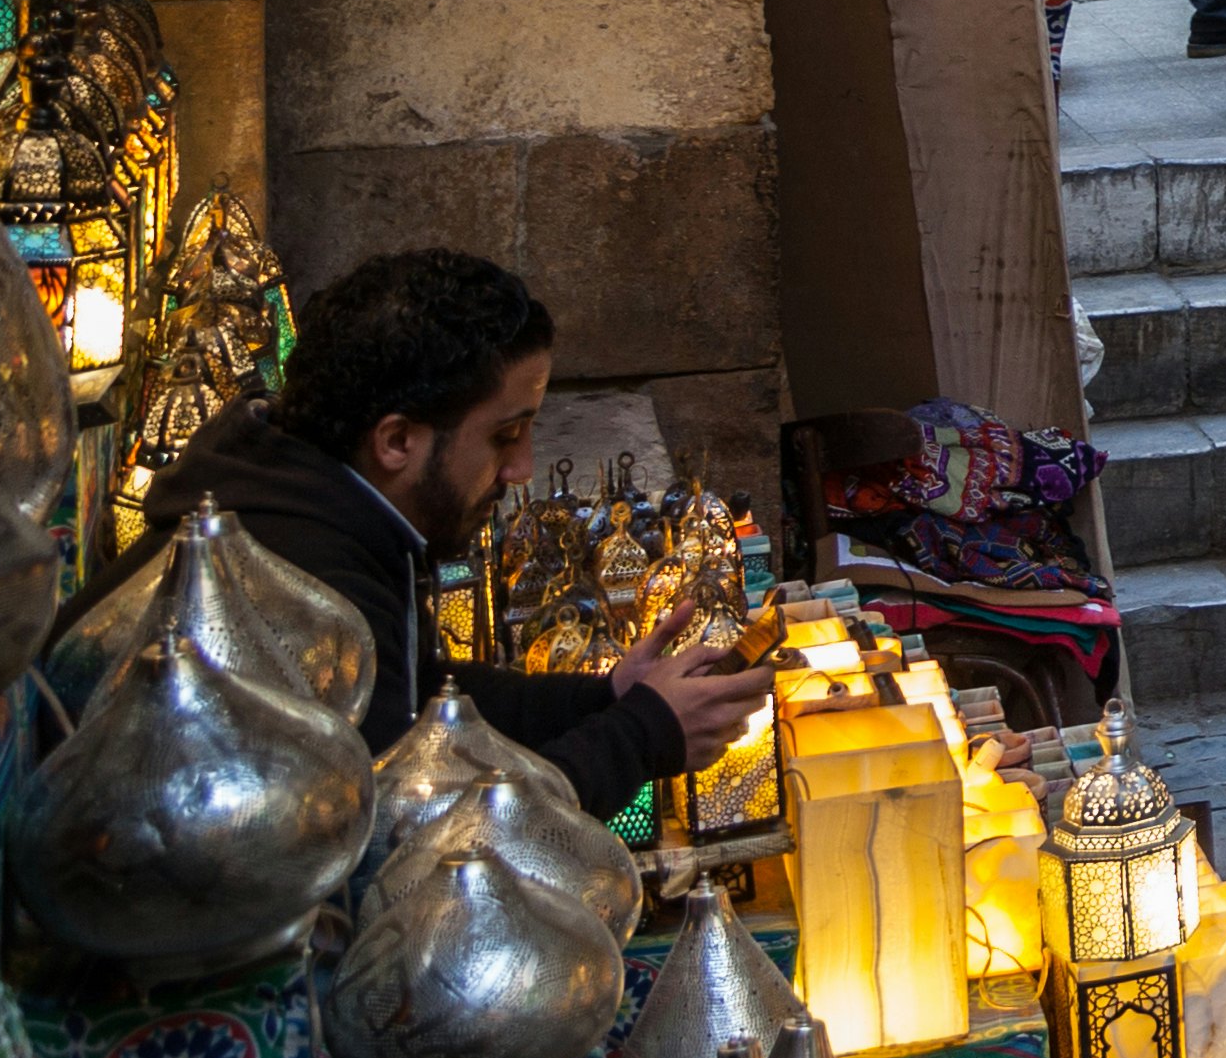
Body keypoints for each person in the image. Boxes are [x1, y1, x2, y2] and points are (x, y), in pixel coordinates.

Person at [65, 248, 765, 815]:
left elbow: (430, 703)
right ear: (397, 441)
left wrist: (608, 696)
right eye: (505, 437)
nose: (521, 469)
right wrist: (642, 735)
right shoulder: (300, 589)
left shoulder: (320, 504)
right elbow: (425, 846)